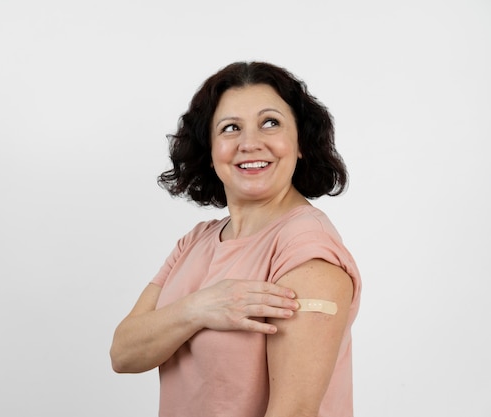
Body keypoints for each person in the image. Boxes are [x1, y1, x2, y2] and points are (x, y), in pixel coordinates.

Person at [110, 61, 361, 417]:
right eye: (231, 128)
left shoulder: (307, 252)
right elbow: (123, 353)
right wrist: (200, 308)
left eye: (270, 123)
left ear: (300, 142)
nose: (250, 143)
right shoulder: (196, 242)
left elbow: (294, 412)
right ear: (210, 153)